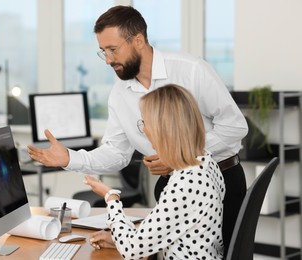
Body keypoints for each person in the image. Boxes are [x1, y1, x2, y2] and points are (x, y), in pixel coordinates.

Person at [27, 5, 248, 253]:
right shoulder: (120, 94)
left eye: (113, 50)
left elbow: (235, 126)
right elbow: (116, 153)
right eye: (103, 52)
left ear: (139, 41)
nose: (108, 60)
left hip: (220, 181)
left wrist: (179, 158)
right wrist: (70, 157)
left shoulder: (191, 70)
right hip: (170, 186)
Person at [85, 84, 225, 259]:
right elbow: (167, 230)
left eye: (144, 122)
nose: (143, 130)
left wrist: (111, 198)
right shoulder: (205, 162)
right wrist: (119, 239)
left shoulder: (187, 183)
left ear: (163, 130)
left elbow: (132, 251)